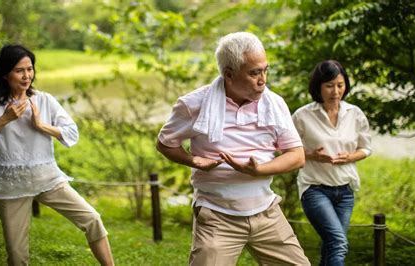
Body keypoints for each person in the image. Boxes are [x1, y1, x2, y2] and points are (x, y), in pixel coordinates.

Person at [156, 32, 311, 265]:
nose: (263, 80)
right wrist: (194, 161)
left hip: (266, 211)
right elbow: (165, 143)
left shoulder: (275, 104)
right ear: (229, 74)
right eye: (254, 73)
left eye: (265, 70)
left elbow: (296, 156)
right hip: (217, 216)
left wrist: (258, 170)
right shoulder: (193, 104)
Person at [0, 45, 114, 266]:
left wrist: (42, 125)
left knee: (92, 219)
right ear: (5, 73)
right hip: (11, 185)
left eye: (30, 69)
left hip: (47, 178)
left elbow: (72, 133)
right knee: (17, 255)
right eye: (19, 70)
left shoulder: (44, 100)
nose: (27, 76)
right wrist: (4, 119)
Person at [292, 60, 372, 266]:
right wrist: (311, 154)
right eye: (329, 85)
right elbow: (284, 149)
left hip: (345, 192)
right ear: (318, 87)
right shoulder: (302, 116)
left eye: (340, 84)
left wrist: (350, 157)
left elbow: (366, 148)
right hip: (315, 189)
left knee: (331, 244)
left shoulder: (355, 114)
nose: (335, 91)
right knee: (338, 242)